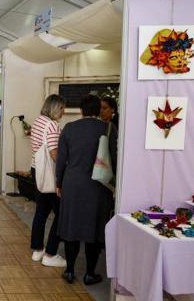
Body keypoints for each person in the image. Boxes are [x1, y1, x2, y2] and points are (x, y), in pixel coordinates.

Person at [56, 94, 117, 285]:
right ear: (98, 110)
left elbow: (61, 160)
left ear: (81, 110)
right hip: (98, 186)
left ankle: (70, 270)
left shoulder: (69, 128)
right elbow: (114, 159)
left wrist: (59, 183)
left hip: (72, 184)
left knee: (71, 227)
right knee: (95, 229)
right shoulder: (108, 128)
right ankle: (90, 273)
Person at [29, 94, 67, 268]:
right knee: (61, 213)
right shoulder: (52, 125)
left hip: (36, 169)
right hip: (49, 173)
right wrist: (65, 169)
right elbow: (54, 154)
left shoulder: (39, 121)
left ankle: (37, 250)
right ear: (54, 108)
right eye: (61, 108)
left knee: (41, 212)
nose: (63, 112)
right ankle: (50, 253)